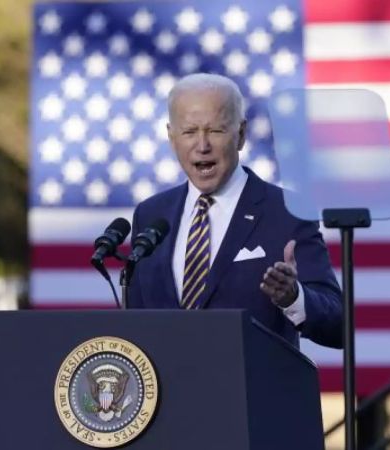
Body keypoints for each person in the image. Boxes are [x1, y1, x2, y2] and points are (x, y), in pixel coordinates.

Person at [126, 73, 342, 349]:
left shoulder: (287, 212)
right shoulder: (151, 216)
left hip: (252, 389)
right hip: (170, 390)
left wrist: (293, 298)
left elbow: (338, 324)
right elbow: (136, 323)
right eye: (189, 132)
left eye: (215, 131)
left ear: (240, 135)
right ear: (171, 137)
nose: (202, 146)